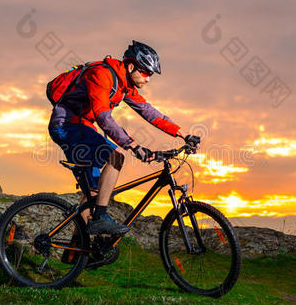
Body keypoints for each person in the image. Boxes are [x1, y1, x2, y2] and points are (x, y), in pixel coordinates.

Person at [49, 40, 199, 235]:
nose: (148, 79)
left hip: (82, 127)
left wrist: (184, 134)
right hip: (67, 126)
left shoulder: (124, 86)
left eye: (150, 75)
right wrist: (133, 146)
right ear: (131, 67)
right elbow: (104, 118)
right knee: (116, 156)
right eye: (146, 72)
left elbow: (149, 112)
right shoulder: (102, 75)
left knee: (94, 194)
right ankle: (101, 218)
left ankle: (77, 256)